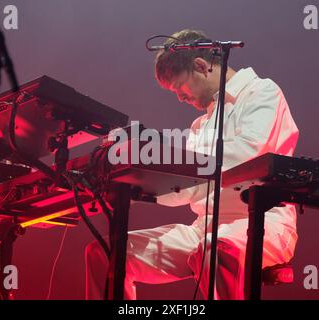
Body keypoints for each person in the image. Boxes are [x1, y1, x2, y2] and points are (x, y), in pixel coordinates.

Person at [85, 29, 299, 300]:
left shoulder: (262, 92)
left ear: (201, 66)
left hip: (263, 221)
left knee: (213, 250)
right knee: (104, 252)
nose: (180, 98)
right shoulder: (201, 124)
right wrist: (146, 182)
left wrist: (178, 163)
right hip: (204, 227)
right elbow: (185, 191)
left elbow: (247, 154)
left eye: (180, 88)